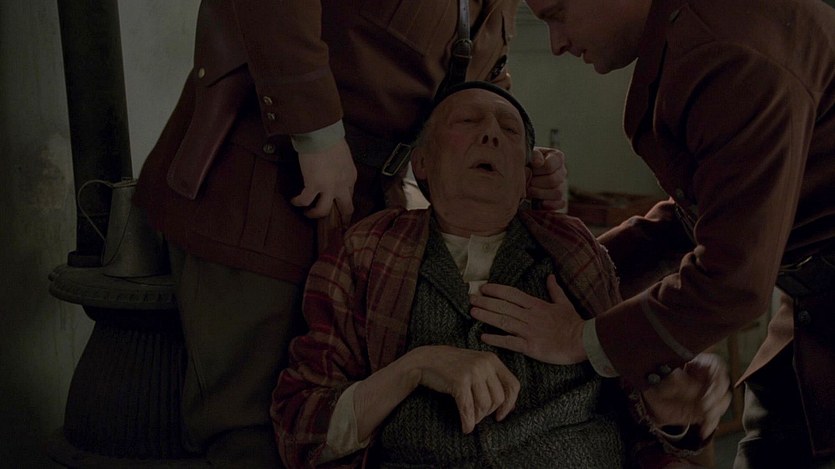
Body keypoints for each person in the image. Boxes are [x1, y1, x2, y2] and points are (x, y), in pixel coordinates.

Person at [132, 0, 566, 465]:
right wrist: (316, 131)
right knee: (252, 434)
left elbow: (476, 75)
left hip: (370, 211)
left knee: (358, 419)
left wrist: (512, 159)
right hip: (261, 192)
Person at [272, 82, 731, 468]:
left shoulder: (573, 251)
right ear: (421, 163)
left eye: (509, 130)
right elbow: (303, 427)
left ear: (527, 176)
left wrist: (669, 409)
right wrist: (416, 367)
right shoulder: (367, 251)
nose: (490, 133)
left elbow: (635, 409)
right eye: (467, 121)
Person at [475, 0, 835, 467]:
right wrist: (575, 275)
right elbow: (699, 213)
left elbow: (734, 281)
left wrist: (581, 339)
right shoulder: (695, 35)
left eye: (557, 14)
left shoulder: (728, 51)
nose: (555, 43)